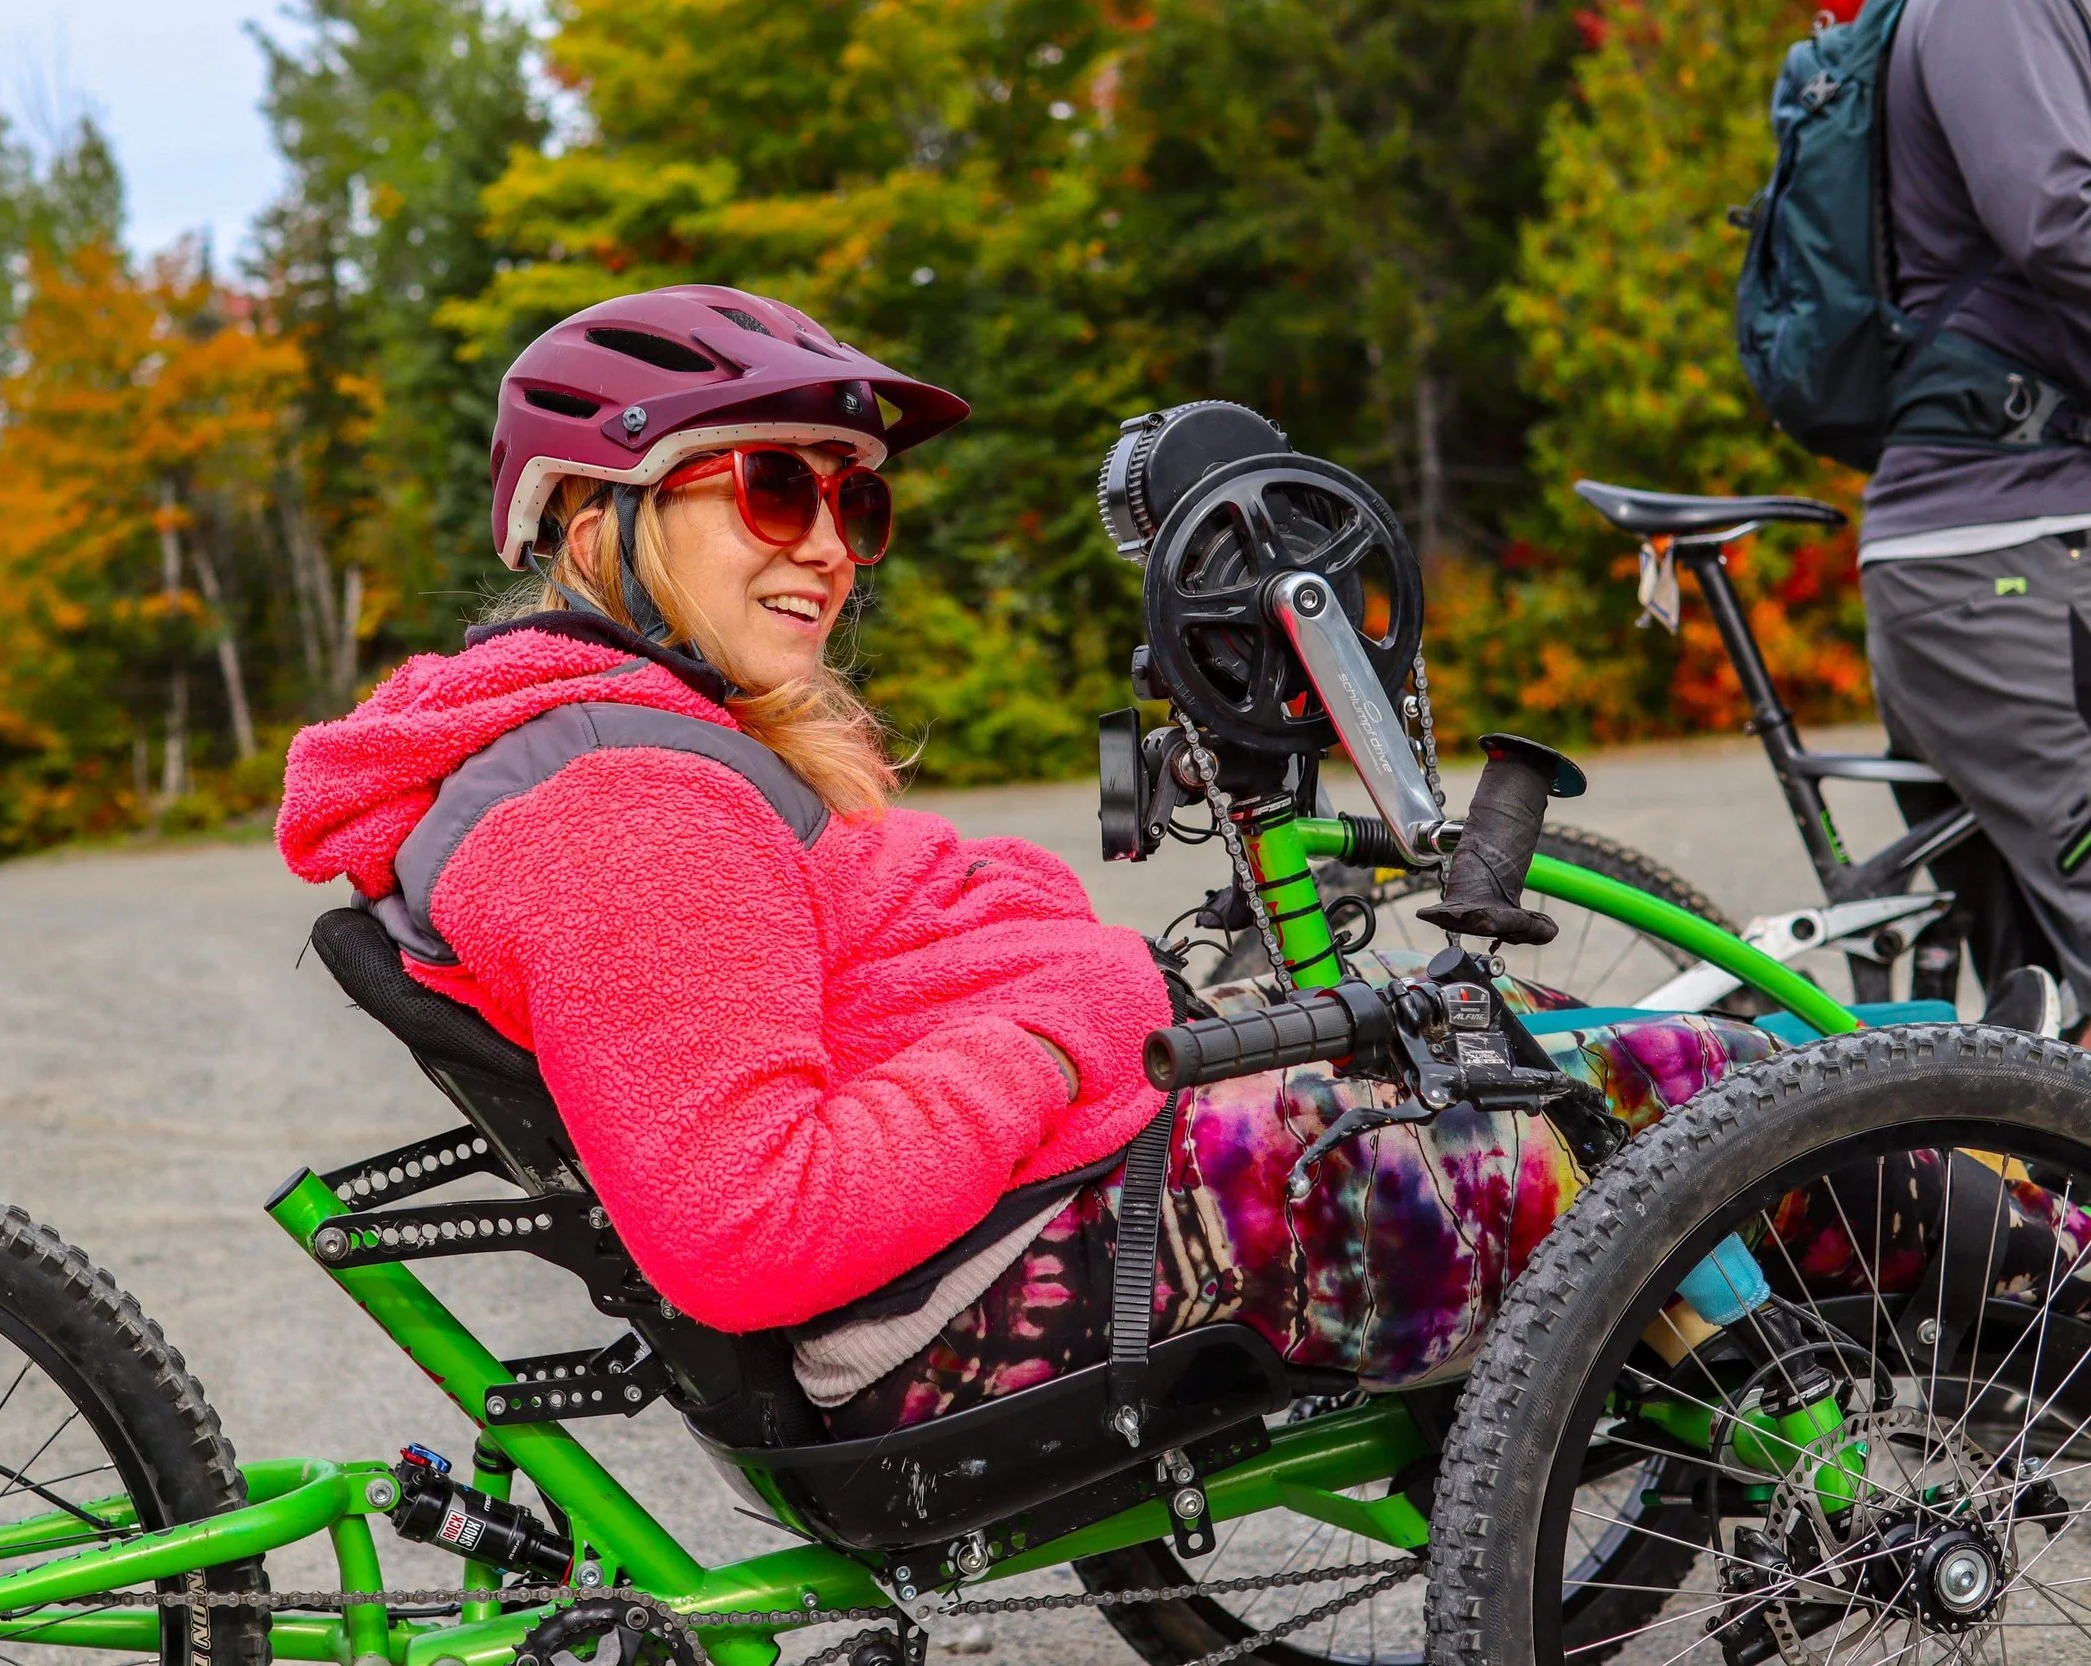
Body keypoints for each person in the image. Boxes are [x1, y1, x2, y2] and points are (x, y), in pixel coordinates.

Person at [275, 284, 2050, 1433]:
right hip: (1026, 1286)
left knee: (1633, 1074)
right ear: (595, 515)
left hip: (1059, 1215)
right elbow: (754, 1225)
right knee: (1708, 1095)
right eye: (771, 488)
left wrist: (1046, 985)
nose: (832, 546)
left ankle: (2018, 1276)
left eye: (855, 500)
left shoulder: (622, 745)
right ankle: (2058, 1319)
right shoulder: (618, 809)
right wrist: (1070, 1019)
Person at [1860, 0, 2091, 1029]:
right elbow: (2057, 218)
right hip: (1995, 557)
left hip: (2023, 534)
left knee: (2037, 997)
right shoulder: (1992, 6)